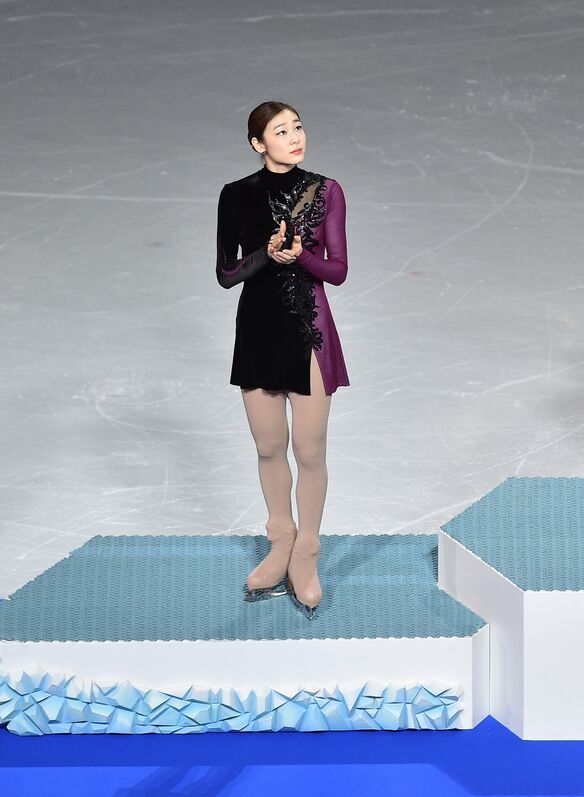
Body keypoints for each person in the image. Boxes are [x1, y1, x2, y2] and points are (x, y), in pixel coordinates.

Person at [216, 101, 349, 617]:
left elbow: (336, 271)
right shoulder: (236, 195)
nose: (295, 137)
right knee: (269, 445)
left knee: (309, 449)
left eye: (298, 127)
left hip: (308, 329)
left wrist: (302, 258)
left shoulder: (326, 190)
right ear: (258, 143)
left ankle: (307, 552)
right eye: (280, 131)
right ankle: (280, 540)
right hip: (258, 330)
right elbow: (227, 274)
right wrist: (266, 256)